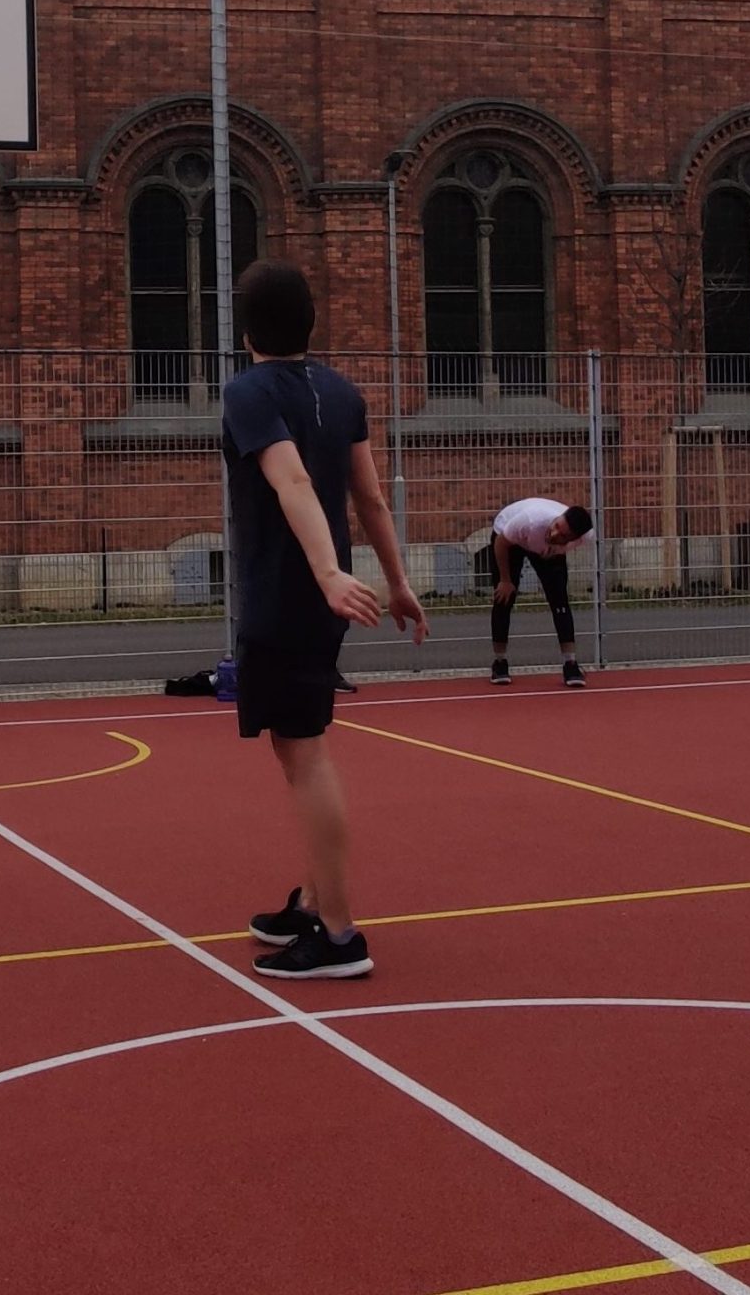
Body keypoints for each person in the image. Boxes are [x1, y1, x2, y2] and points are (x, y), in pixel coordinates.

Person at [223, 259, 426, 979]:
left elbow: (292, 478)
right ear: (312, 322)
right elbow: (368, 498)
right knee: (296, 747)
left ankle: (338, 934)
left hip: (290, 593)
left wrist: (331, 572)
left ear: (245, 328)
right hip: (319, 595)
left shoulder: (247, 391)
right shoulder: (340, 390)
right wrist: (396, 581)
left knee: (304, 756)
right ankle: (313, 901)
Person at [488, 495, 595, 687]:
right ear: (557, 519)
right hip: (510, 539)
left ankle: (570, 663)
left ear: (575, 538)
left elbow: (558, 548)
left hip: (544, 549)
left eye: (563, 535)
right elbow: (501, 543)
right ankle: (499, 662)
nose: (554, 534)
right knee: (504, 596)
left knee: (560, 600)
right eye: (556, 527)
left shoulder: (585, 537)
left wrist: (554, 550)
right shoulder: (530, 520)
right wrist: (505, 580)